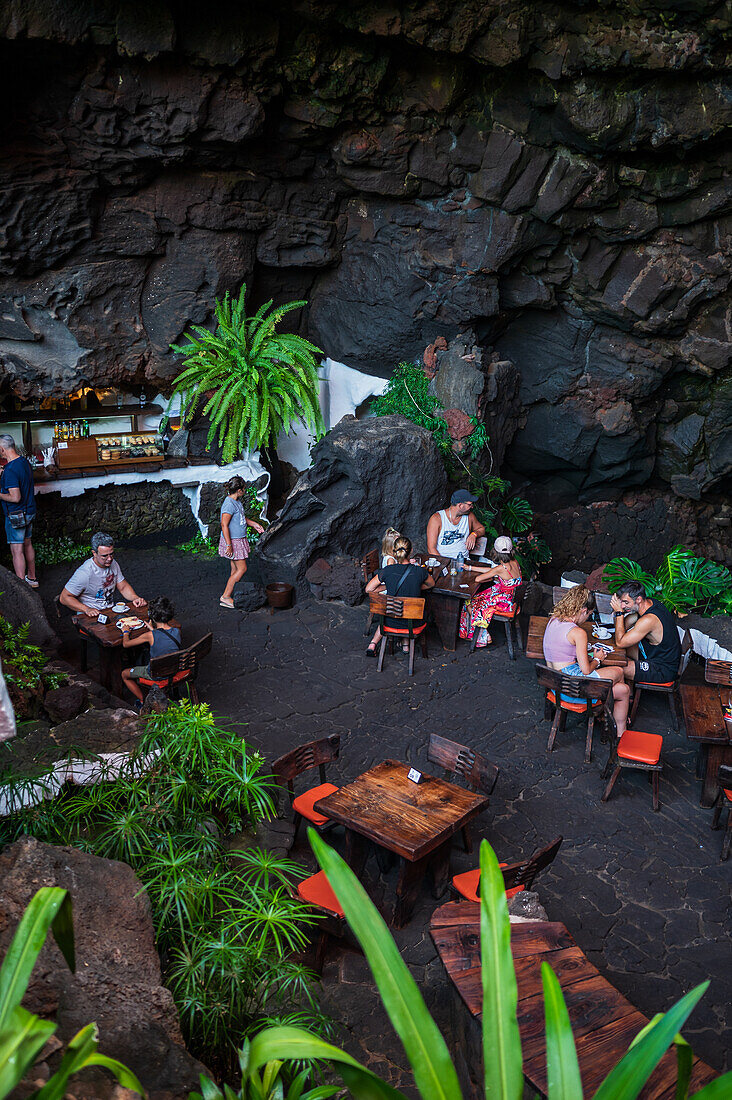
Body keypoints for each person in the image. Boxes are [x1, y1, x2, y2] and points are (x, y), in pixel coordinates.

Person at [543, 585, 629, 738]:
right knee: (619, 671)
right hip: (573, 688)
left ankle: (609, 716)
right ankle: (615, 727)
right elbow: (586, 671)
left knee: (622, 689)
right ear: (583, 611)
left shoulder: (554, 619)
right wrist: (597, 659)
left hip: (556, 686)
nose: (587, 618)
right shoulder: (578, 632)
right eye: (588, 614)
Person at [364, 535, 435, 656]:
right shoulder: (419, 571)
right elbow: (431, 584)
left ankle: (375, 644)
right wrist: (417, 585)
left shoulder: (388, 570)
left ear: (394, 551)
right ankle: (406, 645)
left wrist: (389, 585)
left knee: (399, 609)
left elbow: (368, 589)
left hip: (390, 622)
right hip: (414, 624)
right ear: (411, 551)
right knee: (412, 611)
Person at [611, 580, 681, 687]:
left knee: (616, 669)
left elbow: (620, 642)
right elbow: (624, 625)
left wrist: (619, 613)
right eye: (621, 602)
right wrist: (619, 612)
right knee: (612, 654)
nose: (623, 606)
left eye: (626, 602)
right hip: (651, 655)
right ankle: (628, 693)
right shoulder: (648, 604)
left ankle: (624, 696)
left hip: (662, 669)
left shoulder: (649, 620)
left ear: (638, 599)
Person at [59, 532, 145, 618]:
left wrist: (135, 598)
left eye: (111, 554)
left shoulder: (113, 563)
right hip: (89, 617)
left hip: (109, 611)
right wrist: (86, 609)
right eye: (104, 556)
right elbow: (64, 597)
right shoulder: (85, 573)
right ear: (94, 553)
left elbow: (123, 587)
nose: (110, 559)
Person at [459, 535, 522, 648]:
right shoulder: (514, 562)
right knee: (478, 598)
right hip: (511, 597)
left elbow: (479, 579)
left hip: (505, 603)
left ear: (496, 552)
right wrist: (470, 568)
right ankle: (480, 632)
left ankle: (483, 636)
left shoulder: (501, 568)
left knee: (470, 602)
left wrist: (491, 576)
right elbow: (493, 571)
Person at [121, 596, 182, 708]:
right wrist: (153, 630)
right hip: (173, 669)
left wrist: (125, 632)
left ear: (152, 616)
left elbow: (126, 644)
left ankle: (142, 701)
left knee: (124, 674)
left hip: (156, 675)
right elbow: (163, 639)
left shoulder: (150, 636)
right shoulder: (177, 631)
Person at [218, 476, 265, 609]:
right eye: (243, 489)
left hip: (238, 539)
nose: (245, 491)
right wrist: (229, 545)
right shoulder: (228, 504)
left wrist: (254, 524)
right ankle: (225, 596)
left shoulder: (236, 501)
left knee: (234, 569)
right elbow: (224, 525)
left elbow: (240, 518)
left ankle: (230, 593)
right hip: (233, 541)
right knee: (242, 568)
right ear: (238, 490)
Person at [0, 434, 37, 588]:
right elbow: (18, 476)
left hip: (16, 515)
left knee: (17, 551)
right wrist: (4, 471)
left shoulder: (9, 471)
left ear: (2, 449)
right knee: (27, 544)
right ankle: (32, 579)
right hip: (29, 511)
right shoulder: (23, 462)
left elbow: (15, 497)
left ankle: (23, 588)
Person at [427, 490, 486, 560]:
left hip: (463, 562)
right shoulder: (437, 519)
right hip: (442, 561)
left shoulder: (469, 516)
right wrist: (445, 565)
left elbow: (481, 529)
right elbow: (431, 549)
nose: (472, 507)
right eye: (469, 504)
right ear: (460, 505)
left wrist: (474, 534)